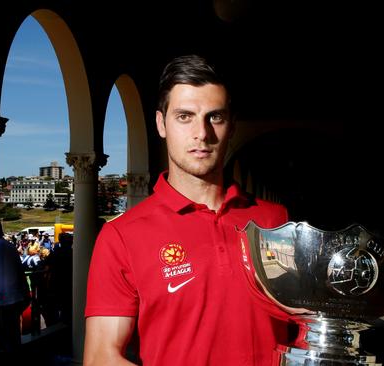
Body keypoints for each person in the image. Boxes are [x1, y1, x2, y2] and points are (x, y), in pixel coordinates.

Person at [84, 55, 293, 365]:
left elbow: (301, 325)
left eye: (215, 117)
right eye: (185, 116)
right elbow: (101, 356)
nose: (202, 133)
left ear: (231, 125)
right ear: (161, 124)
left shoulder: (275, 220)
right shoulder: (121, 236)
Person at [0, 219, 30, 364]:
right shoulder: (9, 245)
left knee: (4, 333)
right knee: (13, 333)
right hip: (18, 294)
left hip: (4, 297)